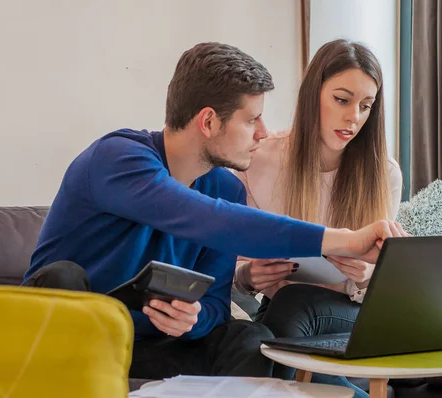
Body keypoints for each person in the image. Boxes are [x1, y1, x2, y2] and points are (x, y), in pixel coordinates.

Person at [22, 42, 407, 381]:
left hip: (146, 348)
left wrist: (191, 320)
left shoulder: (224, 187)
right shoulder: (118, 157)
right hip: (64, 341)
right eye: (252, 119)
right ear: (208, 121)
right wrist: (347, 241)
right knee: (63, 279)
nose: (262, 132)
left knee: (248, 338)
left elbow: (215, 306)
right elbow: (207, 218)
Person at [232, 39, 402, 391]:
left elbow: (389, 285)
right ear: (314, 94)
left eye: (366, 106)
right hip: (281, 309)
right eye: (342, 99)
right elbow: (228, 264)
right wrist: (249, 275)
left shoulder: (384, 173)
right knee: (258, 336)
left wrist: (367, 273)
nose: (353, 116)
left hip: (352, 314)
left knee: (292, 308)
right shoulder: (260, 159)